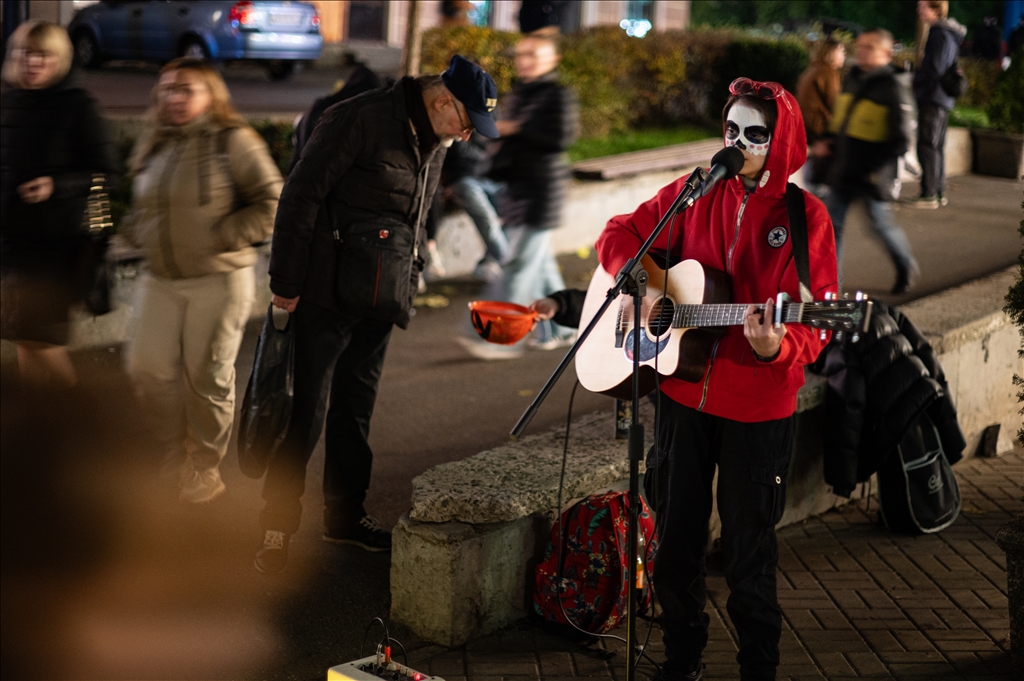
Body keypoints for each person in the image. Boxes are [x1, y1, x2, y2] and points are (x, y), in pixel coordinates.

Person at [594, 78, 837, 681]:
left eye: (756, 134)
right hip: (682, 394)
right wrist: (644, 284)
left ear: (779, 142)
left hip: (758, 408)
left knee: (749, 557)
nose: (740, 143)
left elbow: (820, 317)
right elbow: (621, 232)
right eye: (731, 130)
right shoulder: (695, 193)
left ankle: (759, 668)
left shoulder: (805, 220)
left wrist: (778, 346)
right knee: (675, 546)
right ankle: (682, 662)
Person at [257, 55, 499, 575]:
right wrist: (286, 285)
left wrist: (408, 287)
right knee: (306, 409)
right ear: (441, 102)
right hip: (323, 290)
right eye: (465, 123)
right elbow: (300, 196)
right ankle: (276, 525)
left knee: (356, 407)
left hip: (381, 294)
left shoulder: (437, 141)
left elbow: (416, 217)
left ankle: (345, 517)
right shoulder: (358, 118)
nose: (467, 136)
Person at [122, 58, 283, 503]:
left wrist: (224, 234)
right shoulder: (155, 143)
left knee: (206, 376)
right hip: (161, 278)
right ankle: (174, 449)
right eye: (167, 89)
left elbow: (273, 201)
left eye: (186, 89)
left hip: (218, 278)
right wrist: (136, 230)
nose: (173, 97)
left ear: (211, 95)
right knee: (146, 369)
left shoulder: (234, 141)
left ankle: (203, 466)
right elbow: (141, 206)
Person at [0, 21, 116, 395]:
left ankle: (74, 419)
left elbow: (109, 177)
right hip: (13, 243)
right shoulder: (8, 101)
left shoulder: (80, 107)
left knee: (43, 340)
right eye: (24, 53)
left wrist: (56, 186)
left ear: (62, 60)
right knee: (23, 337)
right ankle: (39, 424)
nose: (32, 63)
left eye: (42, 55)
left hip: (57, 245)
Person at [458, 29, 579, 359]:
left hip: (541, 194)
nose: (524, 62)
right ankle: (566, 326)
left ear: (551, 59)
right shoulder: (523, 92)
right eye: (521, 55)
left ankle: (494, 337)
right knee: (539, 270)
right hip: (519, 191)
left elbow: (562, 137)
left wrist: (517, 128)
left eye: (532, 56)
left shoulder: (557, 94)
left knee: (517, 265)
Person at [818, 29, 920, 294]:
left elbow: (901, 139)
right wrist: (829, 142)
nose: (861, 51)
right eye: (860, 46)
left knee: (880, 225)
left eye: (870, 47)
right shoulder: (853, 78)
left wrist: (873, 166)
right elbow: (843, 122)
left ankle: (905, 266)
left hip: (872, 174)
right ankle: (831, 288)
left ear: (886, 54)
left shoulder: (893, 86)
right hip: (844, 169)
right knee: (831, 227)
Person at [911, 1, 966, 209]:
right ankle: (938, 191)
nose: (919, 10)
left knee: (927, 144)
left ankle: (929, 194)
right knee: (936, 145)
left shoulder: (938, 34)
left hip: (932, 98)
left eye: (923, 6)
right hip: (943, 98)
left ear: (935, 9)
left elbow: (934, 69)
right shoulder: (949, 34)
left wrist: (917, 82)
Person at [797, 36, 845, 193]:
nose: (844, 55)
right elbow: (835, 105)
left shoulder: (812, 70)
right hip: (820, 130)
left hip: (807, 129)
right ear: (832, 53)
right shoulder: (828, 73)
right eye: (841, 51)